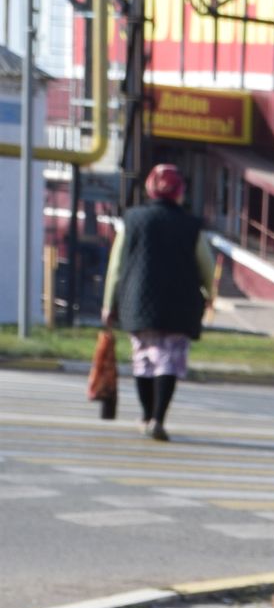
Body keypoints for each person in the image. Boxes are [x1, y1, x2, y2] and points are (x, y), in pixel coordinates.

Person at [99, 162, 217, 441]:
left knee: (143, 360)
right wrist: (211, 295)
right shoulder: (191, 225)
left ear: (150, 189)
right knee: (168, 361)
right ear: (180, 192)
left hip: (136, 302)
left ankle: (144, 415)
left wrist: (108, 303)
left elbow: (116, 266)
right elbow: (206, 265)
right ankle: (158, 418)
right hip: (180, 305)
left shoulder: (132, 219)